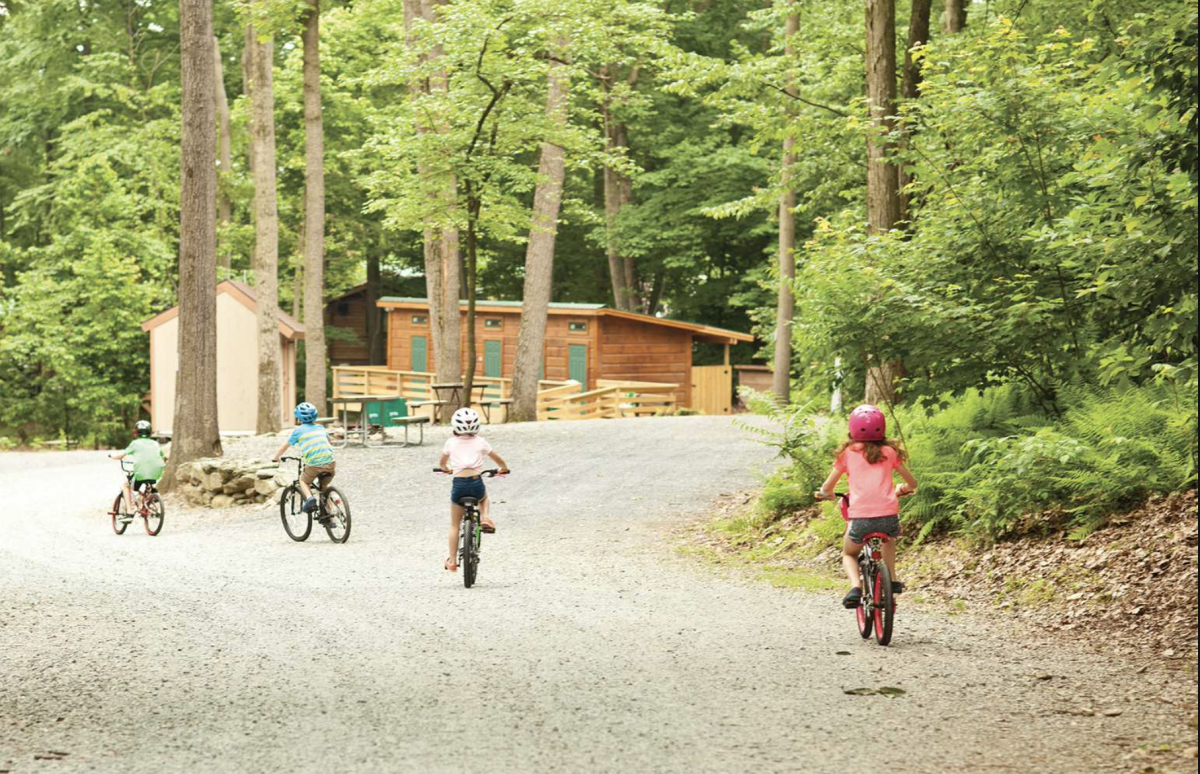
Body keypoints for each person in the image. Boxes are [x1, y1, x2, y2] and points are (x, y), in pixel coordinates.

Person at [816, 404, 918, 609]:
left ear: (852, 429)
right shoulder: (889, 452)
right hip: (888, 517)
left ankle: (855, 587)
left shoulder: (848, 453)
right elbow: (912, 483)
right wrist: (903, 489)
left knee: (849, 553)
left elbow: (828, 487)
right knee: (891, 536)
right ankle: (892, 578)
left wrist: (825, 494)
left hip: (860, 520)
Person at [437, 407, 509, 572]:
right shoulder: (480, 442)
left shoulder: (450, 442)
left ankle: (453, 560)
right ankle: (485, 517)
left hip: (458, 485)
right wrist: (503, 468)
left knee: (455, 525)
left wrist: (446, 469)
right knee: (483, 497)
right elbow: (496, 457)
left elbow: (442, 463)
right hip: (476, 483)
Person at [273, 402, 335, 515]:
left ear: (299, 418)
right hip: (331, 463)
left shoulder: (298, 431)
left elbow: (284, 446)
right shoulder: (320, 427)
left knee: (303, 481)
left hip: (314, 464)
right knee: (324, 487)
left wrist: (276, 457)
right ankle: (330, 516)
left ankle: (310, 498)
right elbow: (329, 441)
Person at [110, 420, 166, 512]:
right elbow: (162, 456)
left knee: (126, 486)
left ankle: (129, 511)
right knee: (148, 481)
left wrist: (113, 456)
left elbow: (121, 454)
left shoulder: (135, 443)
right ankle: (150, 498)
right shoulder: (155, 443)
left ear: (136, 432)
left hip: (141, 474)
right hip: (156, 474)